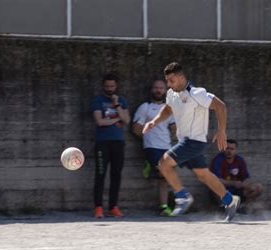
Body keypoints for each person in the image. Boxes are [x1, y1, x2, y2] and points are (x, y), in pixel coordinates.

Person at [143, 62, 240, 221]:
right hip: (185, 141)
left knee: (163, 164)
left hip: (194, 141)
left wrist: (221, 131)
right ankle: (230, 200)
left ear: (181, 77)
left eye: (171, 80)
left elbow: (220, 106)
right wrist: (154, 121)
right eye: (167, 80)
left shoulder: (197, 93)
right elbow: (168, 109)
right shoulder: (171, 94)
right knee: (203, 174)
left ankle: (182, 197)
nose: (169, 84)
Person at [132, 80, 176, 216]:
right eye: (156, 88)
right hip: (151, 147)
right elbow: (136, 129)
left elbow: (174, 128)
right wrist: (148, 138)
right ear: (152, 90)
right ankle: (150, 164)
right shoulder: (145, 107)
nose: (158, 90)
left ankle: (164, 207)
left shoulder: (169, 108)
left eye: (161, 88)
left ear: (165, 90)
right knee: (163, 172)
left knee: (164, 177)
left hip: (167, 147)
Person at [90, 73, 130, 219]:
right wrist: (117, 119)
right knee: (100, 175)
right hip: (102, 143)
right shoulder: (97, 101)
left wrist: (117, 105)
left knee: (116, 175)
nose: (109, 89)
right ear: (103, 86)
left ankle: (113, 207)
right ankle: (98, 207)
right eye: (107, 86)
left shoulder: (122, 101)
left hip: (118, 143)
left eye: (112, 86)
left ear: (116, 86)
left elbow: (126, 120)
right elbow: (99, 121)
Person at [210, 139, 263, 209]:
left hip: (237, 191)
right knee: (214, 187)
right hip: (224, 191)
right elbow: (216, 179)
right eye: (227, 148)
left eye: (232, 149)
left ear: (235, 150)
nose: (229, 151)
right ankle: (223, 208)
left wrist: (244, 184)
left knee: (258, 187)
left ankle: (242, 206)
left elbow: (246, 177)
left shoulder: (240, 160)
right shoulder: (218, 160)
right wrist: (233, 183)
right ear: (223, 149)